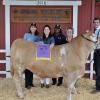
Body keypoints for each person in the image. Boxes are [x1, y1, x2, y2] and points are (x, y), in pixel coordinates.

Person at [24, 22, 41, 89]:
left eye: (34, 27)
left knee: (32, 69)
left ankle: (31, 83)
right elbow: (24, 43)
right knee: (27, 69)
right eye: (32, 27)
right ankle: (27, 84)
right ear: (30, 28)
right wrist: (34, 43)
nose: (33, 28)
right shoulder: (26, 35)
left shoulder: (38, 36)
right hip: (27, 54)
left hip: (34, 55)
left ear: (36, 28)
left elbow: (39, 44)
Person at [93, 17, 100, 91]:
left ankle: (98, 88)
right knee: (97, 69)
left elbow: (98, 41)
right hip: (96, 52)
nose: (96, 23)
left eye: (97, 22)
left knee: (98, 70)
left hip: (99, 51)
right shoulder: (95, 30)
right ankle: (97, 85)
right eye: (95, 22)